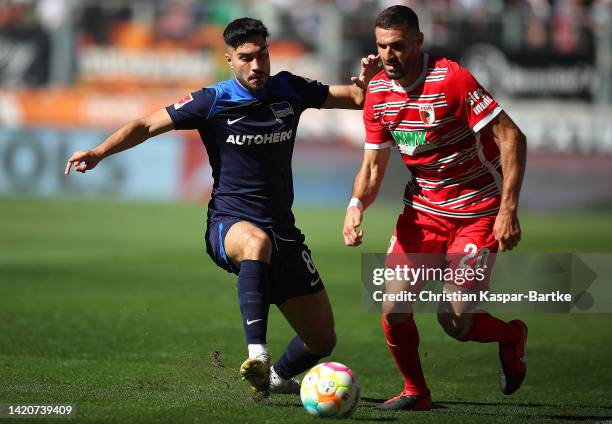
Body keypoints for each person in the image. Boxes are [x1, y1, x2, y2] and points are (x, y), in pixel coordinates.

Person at [65, 17, 379, 398]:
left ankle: (276, 378)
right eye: (246, 57)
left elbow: (356, 98)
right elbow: (147, 125)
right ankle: (257, 356)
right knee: (255, 243)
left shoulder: (289, 89)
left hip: (284, 231)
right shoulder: (212, 101)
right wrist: (99, 152)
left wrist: (366, 78)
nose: (257, 65)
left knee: (322, 339)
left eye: (262, 55)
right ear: (229, 60)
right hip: (229, 224)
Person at [343, 6, 528, 411]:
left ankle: (512, 336)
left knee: (455, 321)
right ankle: (417, 392)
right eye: (382, 47)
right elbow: (373, 167)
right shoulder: (377, 93)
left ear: (418, 42)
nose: (390, 55)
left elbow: (512, 136)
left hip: (478, 212)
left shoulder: (452, 79)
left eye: (398, 46)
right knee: (392, 307)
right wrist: (357, 203)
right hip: (423, 212)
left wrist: (508, 209)